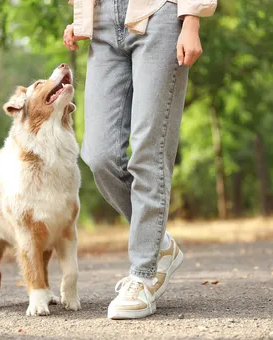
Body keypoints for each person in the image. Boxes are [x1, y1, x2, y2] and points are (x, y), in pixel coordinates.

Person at [63, 0, 216, 320]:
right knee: (99, 154)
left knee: (149, 150)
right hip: (102, 22)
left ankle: (144, 275)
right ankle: (159, 242)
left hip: (159, 14)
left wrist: (191, 20)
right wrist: (81, 16)